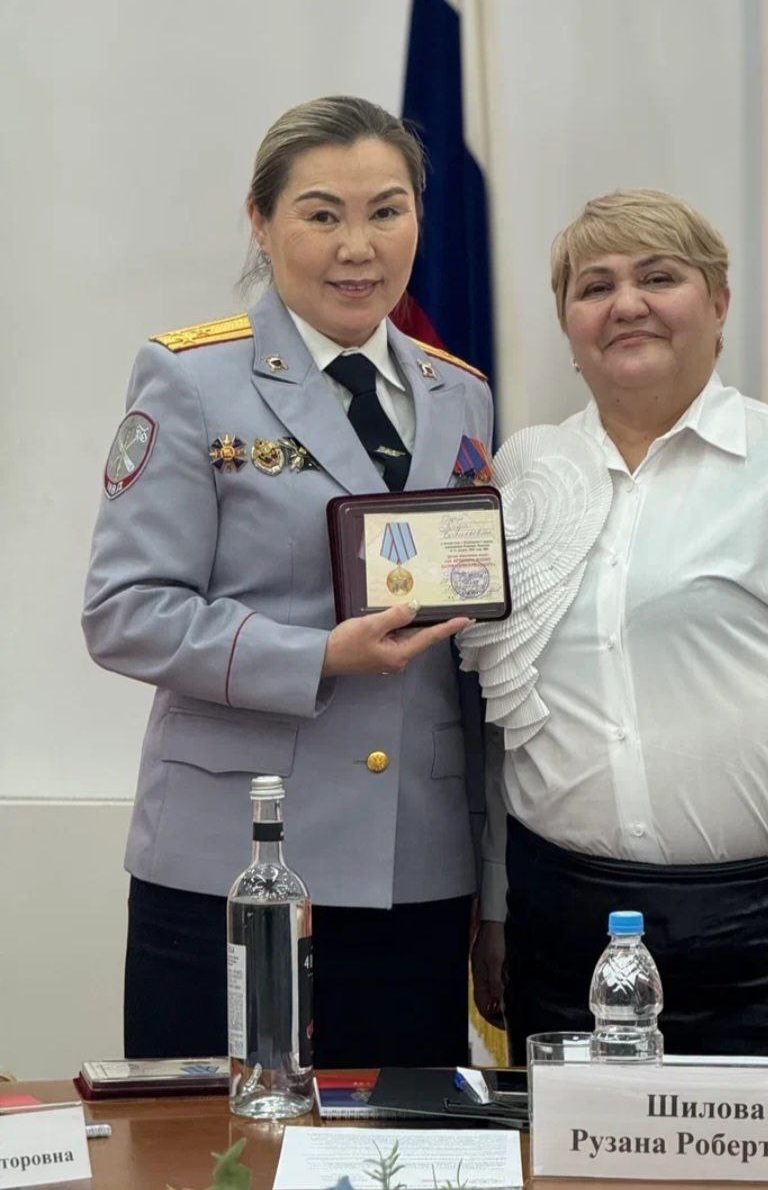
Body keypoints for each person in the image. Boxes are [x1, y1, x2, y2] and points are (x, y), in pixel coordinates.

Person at [466, 188, 768, 1061]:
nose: (627, 304)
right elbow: (500, 724)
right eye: (595, 286)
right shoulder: (517, 486)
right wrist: (497, 909)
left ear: (720, 302)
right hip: (565, 931)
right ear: (568, 324)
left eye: (660, 278)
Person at [83, 95, 494, 1067]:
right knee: (219, 1141)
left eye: (386, 210)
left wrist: (495, 884)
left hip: (416, 870)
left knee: (402, 1139)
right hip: (235, 862)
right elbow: (124, 612)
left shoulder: (461, 392)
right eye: (322, 214)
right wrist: (317, 655)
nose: (358, 246)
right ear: (262, 224)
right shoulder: (191, 378)